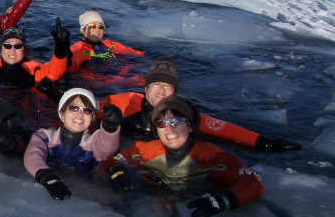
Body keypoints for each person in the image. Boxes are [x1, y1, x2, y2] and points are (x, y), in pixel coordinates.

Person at [105, 97, 265, 217]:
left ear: (190, 126)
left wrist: (221, 201)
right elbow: (114, 159)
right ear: (156, 130)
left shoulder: (210, 156)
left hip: (198, 203)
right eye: (162, 123)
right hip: (160, 200)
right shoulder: (148, 150)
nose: (169, 128)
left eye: (176, 121)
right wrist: (116, 170)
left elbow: (253, 182)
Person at [98, 56, 302, 152]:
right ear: (146, 88)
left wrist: (266, 142)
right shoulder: (123, 104)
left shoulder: (182, 115)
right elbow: (83, 112)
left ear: (175, 92)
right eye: (156, 85)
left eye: (167, 86)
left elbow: (225, 130)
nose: (161, 91)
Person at [24, 89, 124, 201]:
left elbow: (106, 149)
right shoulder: (45, 136)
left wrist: (110, 128)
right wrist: (47, 177)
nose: (80, 114)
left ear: (92, 118)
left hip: (85, 190)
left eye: (87, 111)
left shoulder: (93, 142)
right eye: (74, 108)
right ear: (62, 114)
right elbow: (33, 154)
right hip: (48, 184)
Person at [68, 11, 143, 72]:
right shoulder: (78, 49)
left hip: (116, 76)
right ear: (83, 30)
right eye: (93, 26)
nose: (97, 30)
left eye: (101, 26)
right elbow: (70, 67)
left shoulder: (110, 44)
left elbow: (135, 53)